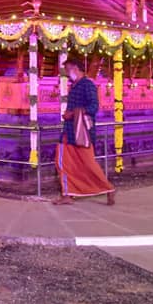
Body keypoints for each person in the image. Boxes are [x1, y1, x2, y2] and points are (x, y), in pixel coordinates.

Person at [55, 58, 116, 206]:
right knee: (64, 162)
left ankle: (108, 188)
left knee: (88, 164)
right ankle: (67, 194)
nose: (68, 73)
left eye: (69, 69)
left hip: (82, 133)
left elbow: (94, 107)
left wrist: (73, 114)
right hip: (68, 132)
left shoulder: (87, 84)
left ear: (76, 68)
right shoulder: (74, 85)